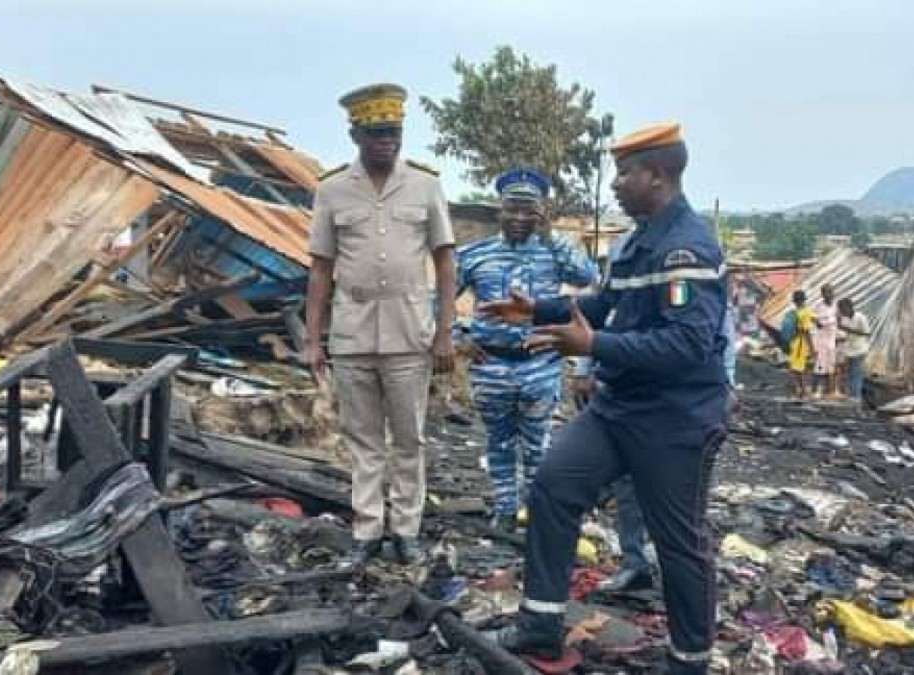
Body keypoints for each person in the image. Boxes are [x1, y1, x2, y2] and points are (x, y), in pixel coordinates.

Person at [480, 122, 728, 674]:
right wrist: (538, 310)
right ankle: (541, 625)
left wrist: (593, 345)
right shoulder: (636, 240)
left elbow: (688, 344)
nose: (615, 184)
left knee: (678, 538)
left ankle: (690, 660)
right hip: (620, 407)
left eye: (625, 173)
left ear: (658, 176)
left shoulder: (686, 247)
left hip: (677, 417)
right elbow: (600, 302)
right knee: (554, 486)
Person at [304, 83, 456, 568]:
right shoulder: (331, 190)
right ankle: (367, 529)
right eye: (375, 134)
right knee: (363, 440)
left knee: (409, 439)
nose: (386, 142)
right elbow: (321, 268)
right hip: (351, 334)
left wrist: (446, 331)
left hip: (410, 332)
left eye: (393, 133)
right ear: (355, 134)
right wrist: (312, 339)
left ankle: (406, 530)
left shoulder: (426, 185)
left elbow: (445, 259)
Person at [454, 168, 597, 531]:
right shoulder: (474, 255)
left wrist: (553, 237)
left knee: (539, 446)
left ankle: (537, 511)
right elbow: (436, 301)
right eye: (512, 209)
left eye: (529, 210)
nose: (519, 217)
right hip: (490, 364)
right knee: (499, 443)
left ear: (541, 213)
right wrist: (459, 338)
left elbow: (587, 278)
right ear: (498, 211)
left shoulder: (555, 252)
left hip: (540, 365)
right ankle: (504, 508)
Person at [837, 298, 871, 401]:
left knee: (856, 374)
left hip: (860, 350)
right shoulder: (844, 319)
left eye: (842, 309)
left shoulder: (860, 317)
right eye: (840, 310)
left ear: (849, 307)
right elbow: (846, 334)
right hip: (849, 350)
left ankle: (855, 397)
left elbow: (867, 333)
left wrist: (847, 330)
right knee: (850, 374)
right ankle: (852, 396)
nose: (842, 312)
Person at [811, 284, 839, 397]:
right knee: (819, 368)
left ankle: (829, 391)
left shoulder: (836, 306)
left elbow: (840, 321)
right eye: (827, 292)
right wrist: (826, 322)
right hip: (821, 342)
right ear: (822, 294)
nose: (829, 294)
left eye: (831, 291)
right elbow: (816, 323)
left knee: (831, 368)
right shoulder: (818, 307)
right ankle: (816, 391)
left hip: (832, 341)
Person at [786, 290, 814, 399]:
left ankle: (801, 391)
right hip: (799, 343)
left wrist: (811, 348)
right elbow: (806, 331)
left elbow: (805, 331)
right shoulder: (803, 312)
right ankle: (801, 391)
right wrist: (812, 348)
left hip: (797, 343)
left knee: (796, 368)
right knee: (798, 368)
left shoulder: (798, 312)